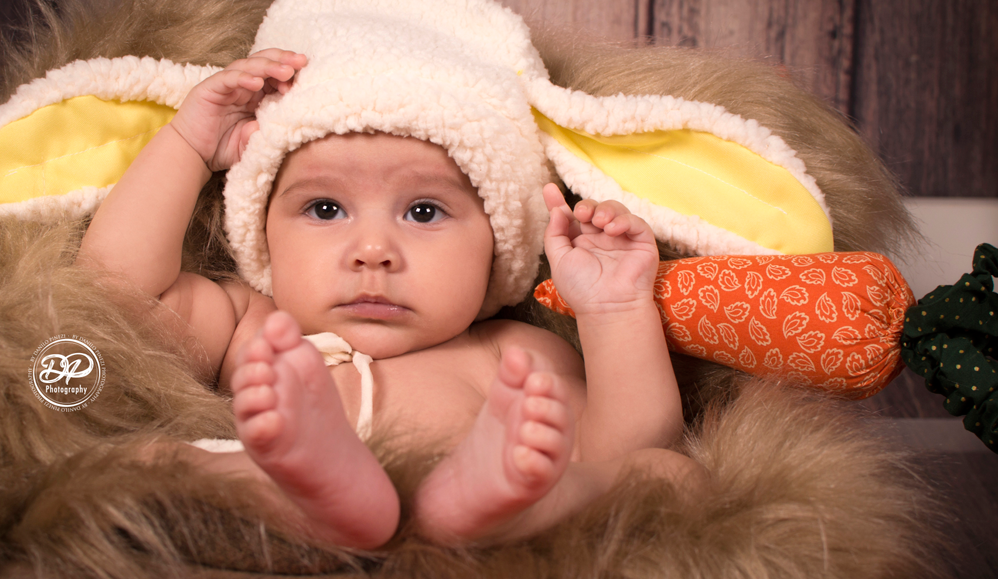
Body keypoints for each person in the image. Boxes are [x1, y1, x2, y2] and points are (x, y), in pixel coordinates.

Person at [78, 45, 705, 551]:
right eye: (325, 209)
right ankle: (313, 485)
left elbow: (625, 446)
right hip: (266, 508)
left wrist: (615, 307)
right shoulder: (248, 322)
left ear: (497, 243)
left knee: (666, 477)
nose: (372, 249)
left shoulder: (506, 354)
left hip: (473, 532)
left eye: (424, 211)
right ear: (263, 232)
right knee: (149, 458)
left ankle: (474, 504)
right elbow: (114, 301)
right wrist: (188, 147)